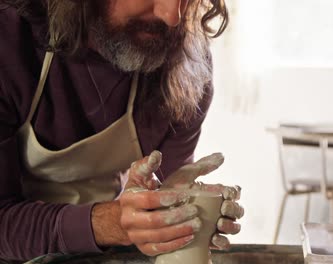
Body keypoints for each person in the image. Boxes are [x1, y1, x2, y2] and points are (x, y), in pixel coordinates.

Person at [0, 0, 243, 262]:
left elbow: (165, 206)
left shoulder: (186, 71)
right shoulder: (9, 38)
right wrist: (109, 224)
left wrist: (176, 215)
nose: (171, 16)